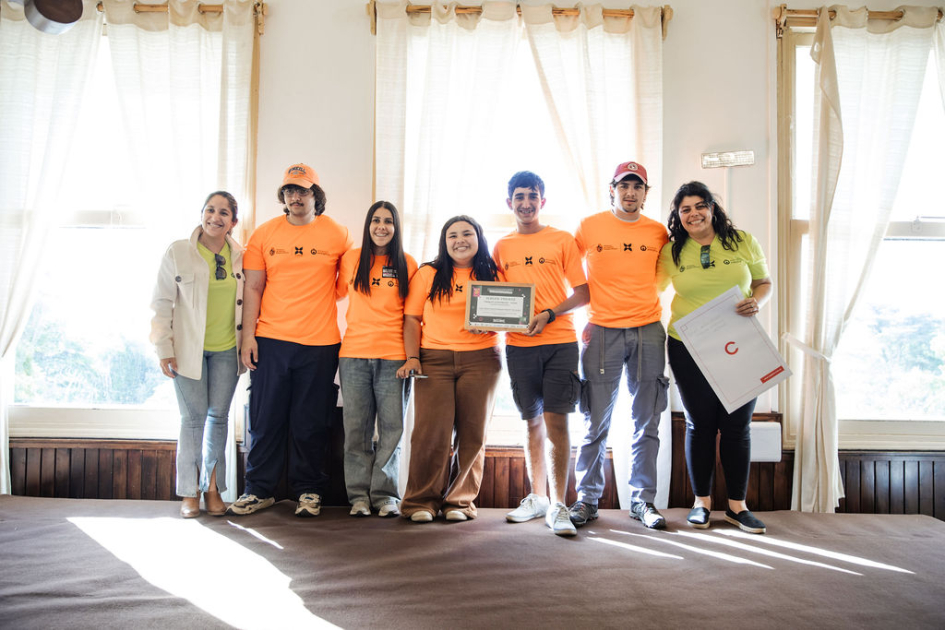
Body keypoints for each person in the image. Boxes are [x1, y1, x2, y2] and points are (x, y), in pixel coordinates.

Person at [228, 164, 352, 517]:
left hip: (321, 343)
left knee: (311, 422)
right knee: (265, 419)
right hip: (271, 340)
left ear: (316, 195)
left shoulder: (338, 234)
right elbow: (253, 288)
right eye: (289, 191)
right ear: (283, 196)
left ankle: (309, 491)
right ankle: (258, 490)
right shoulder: (264, 234)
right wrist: (248, 336)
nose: (296, 197)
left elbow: (342, 287)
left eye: (303, 190)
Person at [659, 181, 772, 534]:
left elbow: (763, 283)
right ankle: (702, 504)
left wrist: (757, 302)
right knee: (700, 425)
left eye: (699, 206)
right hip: (687, 344)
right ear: (678, 217)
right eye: (685, 209)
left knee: (737, 426)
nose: (693, 214)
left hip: (739, 342)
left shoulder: (743, 241)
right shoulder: (672, 252)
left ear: (712, 208)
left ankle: (738, 507)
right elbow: (647, 289)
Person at [571, 161, 670, 529]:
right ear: (611, 190)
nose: (630, 192)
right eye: (624, 186)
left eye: (637, 186)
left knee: (647, 421)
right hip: (602, 331)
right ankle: (587, 500)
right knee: (594, 421)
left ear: (645, 193)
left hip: (648, 330)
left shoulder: (658, 232)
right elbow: (565, 269)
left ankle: (643, 501)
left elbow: (674, 274)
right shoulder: (589, 226)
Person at [492, 171, 588, 537]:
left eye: (532, 196)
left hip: (561, 342)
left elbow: (583, 293)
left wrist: (549, 313)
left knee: (557, 421)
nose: (526, 203)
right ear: (510, 202)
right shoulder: (501, 247)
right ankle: (538, 498)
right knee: (531, 422)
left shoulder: (562, 240)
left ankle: (559, 505)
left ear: (542, 201)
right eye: (520, 197)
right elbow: (495, 298)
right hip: (518, 346)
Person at [396, 216, 502, 523]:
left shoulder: (494, 273)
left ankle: (460, 502)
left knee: (473, 434)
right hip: (433, 359)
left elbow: (510, 313)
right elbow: (412, 318)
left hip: (482, 360)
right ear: (444, 242)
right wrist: (412, 357)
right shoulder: (428, 273)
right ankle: (420, 502)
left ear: (479, 238)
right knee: (430, 433)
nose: (460, 240)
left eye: (467, 233)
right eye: (452, 235)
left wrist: (493, 325)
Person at [150, 190, 245, 518]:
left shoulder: (241, 256)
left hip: (227, 352)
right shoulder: (178, 251)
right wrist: (163, 347)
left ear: (233, 221)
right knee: (192, 421)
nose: (215, 217)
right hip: (187, 352)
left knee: (218, 420)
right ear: (202, 213)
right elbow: (161, 303)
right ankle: (189, 492)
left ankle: (213, 489)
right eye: (210, 210)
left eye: (223, 213)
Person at [336, 201, 418, 518]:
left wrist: (412, 356)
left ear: (396, 227)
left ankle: (385, 495)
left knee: (391, 431)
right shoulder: (351, 259)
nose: (381, 226)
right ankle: (358, 496)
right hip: (354, 355)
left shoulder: (407, 263)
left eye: (388, 221)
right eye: (375, 220)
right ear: (368, 225)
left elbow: (413, 316)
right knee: (356, 431)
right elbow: (335, 293)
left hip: (394, 358)